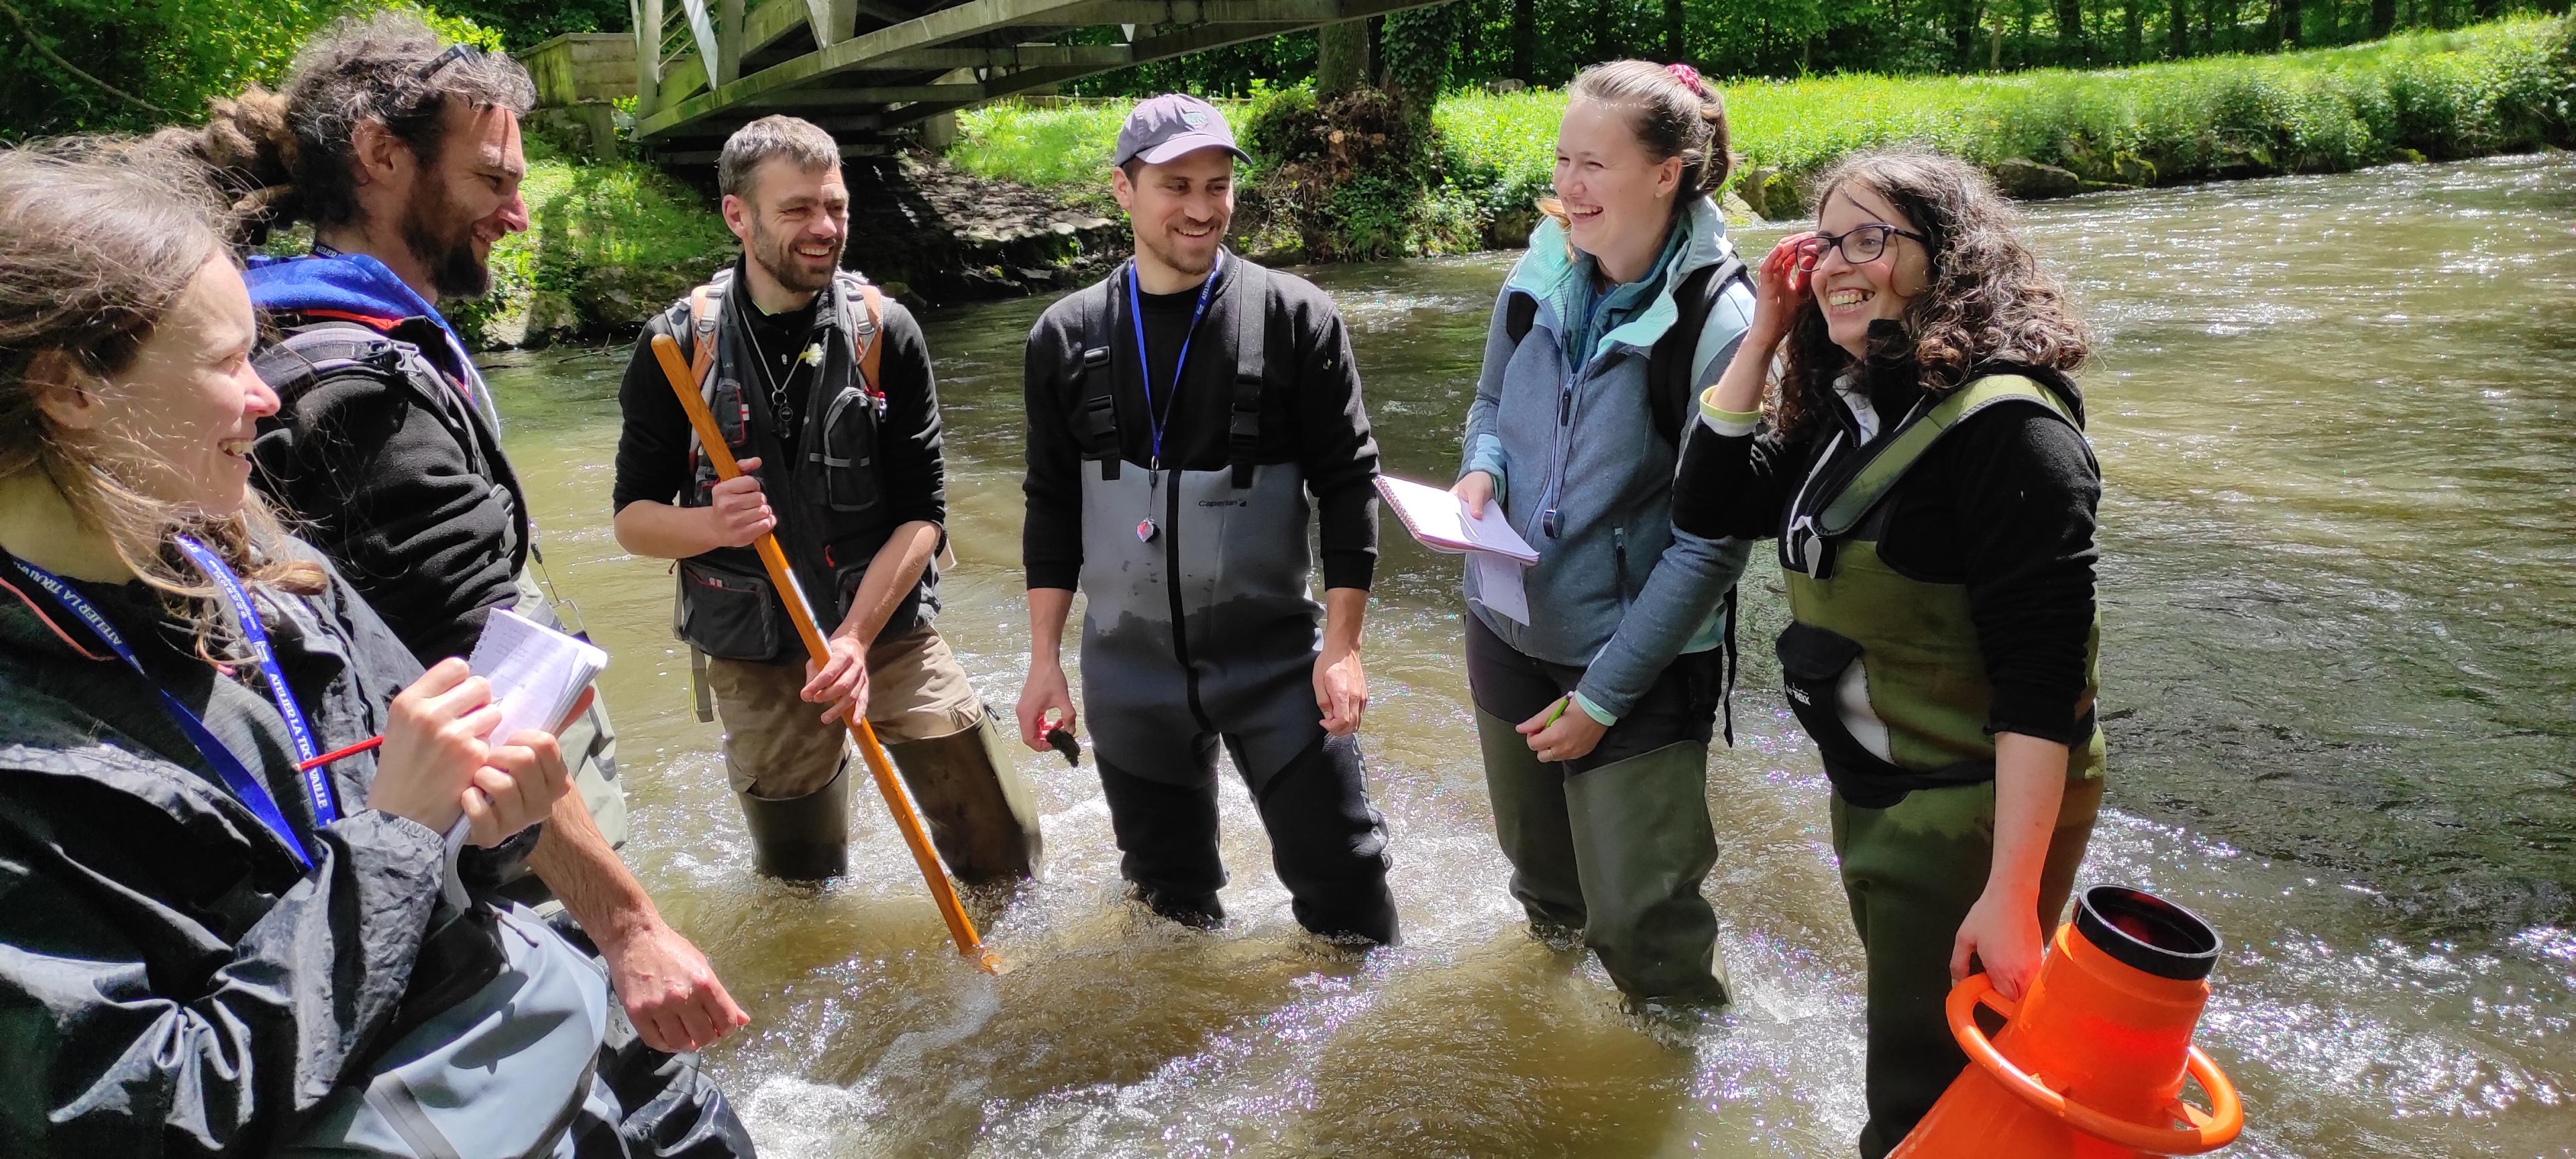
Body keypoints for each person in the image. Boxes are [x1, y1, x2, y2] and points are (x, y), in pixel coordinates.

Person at [0, 143, 752, 1158]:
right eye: (226, 363)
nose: (266, 397)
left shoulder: (266, 568)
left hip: (562, 1088)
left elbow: (471, 886)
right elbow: (143, 1110)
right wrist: (400, 836)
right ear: (69, 390)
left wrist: (504, 823)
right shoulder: (28, 752)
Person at [155, 11, 747, 1056]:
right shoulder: (358, 395)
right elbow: (463, 677)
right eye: (492, 181)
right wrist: (631, 926)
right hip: (509, 859)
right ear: (381, 155)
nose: (518, 215)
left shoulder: (292, 337)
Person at [1671, 148, 2104, 1156]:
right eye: (1826, 240)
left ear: (1949, 261)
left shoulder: (2010, 431)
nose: (1835, 260)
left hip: (1968, 816)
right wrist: (1767, 334)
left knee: (1929, 1105)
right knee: (1923, 1079)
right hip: (1887, 801)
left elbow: (2042, 684)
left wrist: (2009, 894)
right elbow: (1710, 502)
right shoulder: (1858, 407)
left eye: (1870, 237)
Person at [612, 115, 1042, 884]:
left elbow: (924, 518)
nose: (825, 229)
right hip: (753, 646)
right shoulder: (674, 348)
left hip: (885, 629)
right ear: (736, 216)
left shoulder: (886, 333)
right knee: (800, 875)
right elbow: (633, 523)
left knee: (1002, 840)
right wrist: (709, 522)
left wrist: (852, 639)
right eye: (798, 210)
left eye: (835, 207)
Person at [1016, 95, 1397, 945]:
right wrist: (1045, 662)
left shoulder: (1299, 318)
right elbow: (1050, 504)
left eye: (1218, 186)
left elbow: (1348, 485)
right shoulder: (1064, 336)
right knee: (1168, 912)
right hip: (1129, 673)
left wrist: (1343, 647)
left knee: (1349, 895)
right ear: (1123, 190)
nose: (1202, 209)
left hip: (1276, 665)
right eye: (1176, 185)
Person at [1451, 60, 1758, 1007]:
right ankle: (1556, 1048)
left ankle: (1677, 1081)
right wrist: (1483, 467)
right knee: (1546, 893)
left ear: (1667, 173)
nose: (1567, 187)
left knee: (1642, 927)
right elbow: (1492, 401)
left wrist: (1605, 698)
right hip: (1506, 628)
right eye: (1561, 160)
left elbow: (1713, 545)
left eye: (1593, 165)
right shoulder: (1539, 266)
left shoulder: (1724, 320)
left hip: (1634, 665)